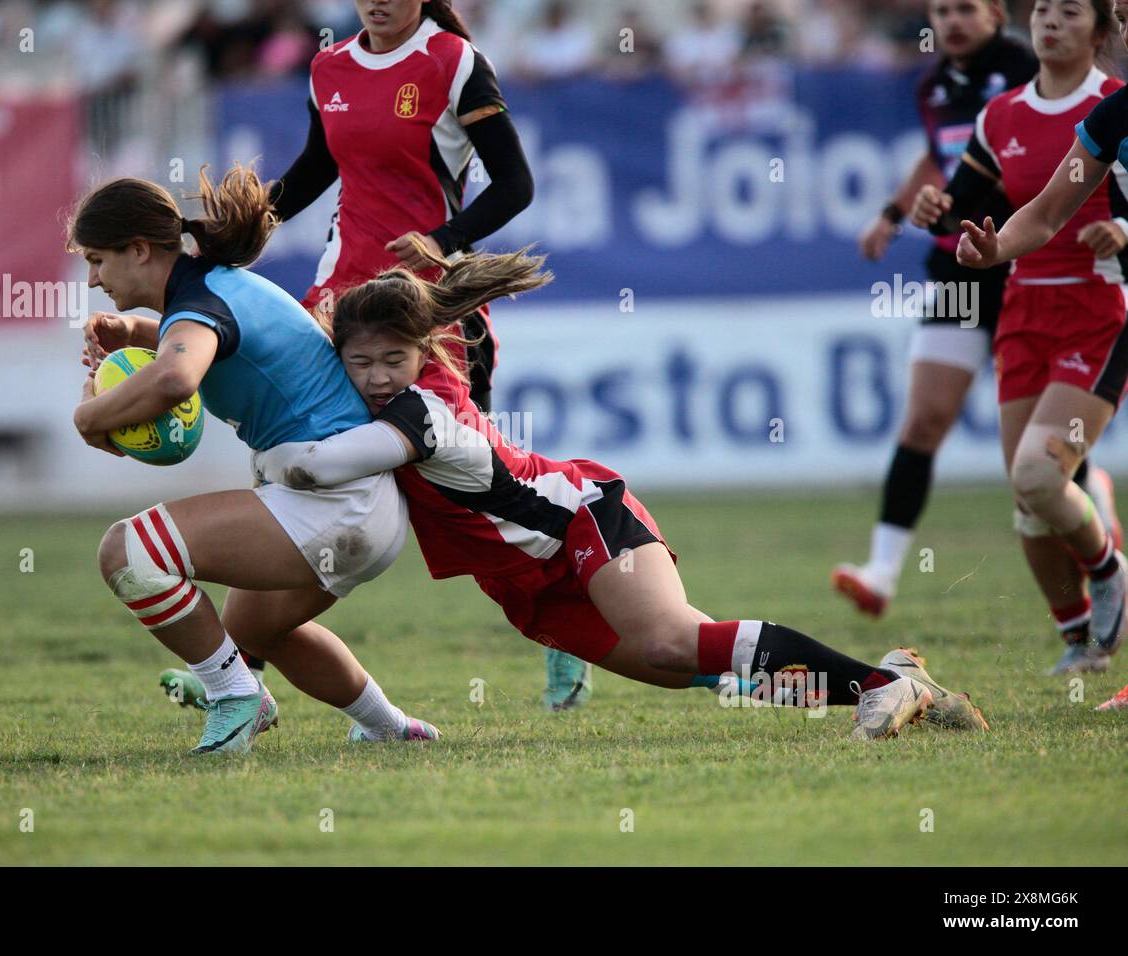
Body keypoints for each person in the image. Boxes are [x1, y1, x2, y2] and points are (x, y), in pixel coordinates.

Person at [251, 241, 991, 741]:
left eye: (394, 358)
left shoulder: (421, 411)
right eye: (360, 361)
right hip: (524, 581)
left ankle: (875, 689)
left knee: (672, 639)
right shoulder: (374, 396)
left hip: (581, 518)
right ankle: (903, 683)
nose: (378, 375)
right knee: (684, 667)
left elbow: (316, 468)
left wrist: (267, 444)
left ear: (425, 352)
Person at [160, 0, 594, 712]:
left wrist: (444, 240)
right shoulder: (328, 66)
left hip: (430, 311)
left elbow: (515, 185)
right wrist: (228, 235)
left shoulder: (455, 64)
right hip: (338, 302)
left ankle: (565, 628)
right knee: (296, 466)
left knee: (462, 496)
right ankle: (239, 671)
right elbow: (312, 173)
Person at [70, 164, 438, 753]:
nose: (92, 279)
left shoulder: (201, 302)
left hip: (328, 500)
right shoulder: (212, 289)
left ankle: (235, 697)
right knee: (255, 631)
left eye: (97, 260)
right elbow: (198, 338)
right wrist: (133, 329)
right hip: (366, 507)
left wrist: (89, 417)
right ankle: (390, 728)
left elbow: (175, 377)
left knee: (125, 551)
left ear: (138, 249)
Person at [834, 0, 1050, 616]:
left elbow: (1041, 164)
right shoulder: (935, 85)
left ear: (996, 14)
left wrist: (960, 198)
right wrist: (895, 212)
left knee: (1040, 443)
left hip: (1026, 267)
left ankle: (1096, 537)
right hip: (958, 268)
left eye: (966, 9)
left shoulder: (1026, 71)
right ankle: (881, 571)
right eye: (943, 10)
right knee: (924, 419)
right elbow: (939, 156)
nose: (952, 21)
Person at [952, 0, 1128, 673]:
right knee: (1030, 496)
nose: (1051, 22)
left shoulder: (1107, 99)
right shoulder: (1105, 120)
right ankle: (1081, 640)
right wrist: (994, 252)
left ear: (1102, 32)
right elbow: (1047, 212)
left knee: (1037, 471)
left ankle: (1109, 565)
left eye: (1071, 11)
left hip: (1100, 311)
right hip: (1026, 316)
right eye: (1043, 10)